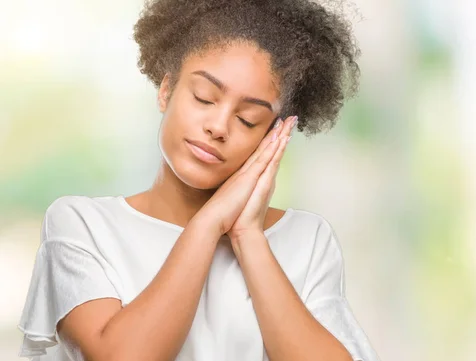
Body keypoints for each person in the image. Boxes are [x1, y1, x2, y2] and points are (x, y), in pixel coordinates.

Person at [17, 0, 380, 360]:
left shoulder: (306, 240)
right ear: (165, 90)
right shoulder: (81, 226)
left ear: (272, 135)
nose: (218, 127)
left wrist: (247, 236)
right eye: (205, 98)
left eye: (248, 119)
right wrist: (208, 223)